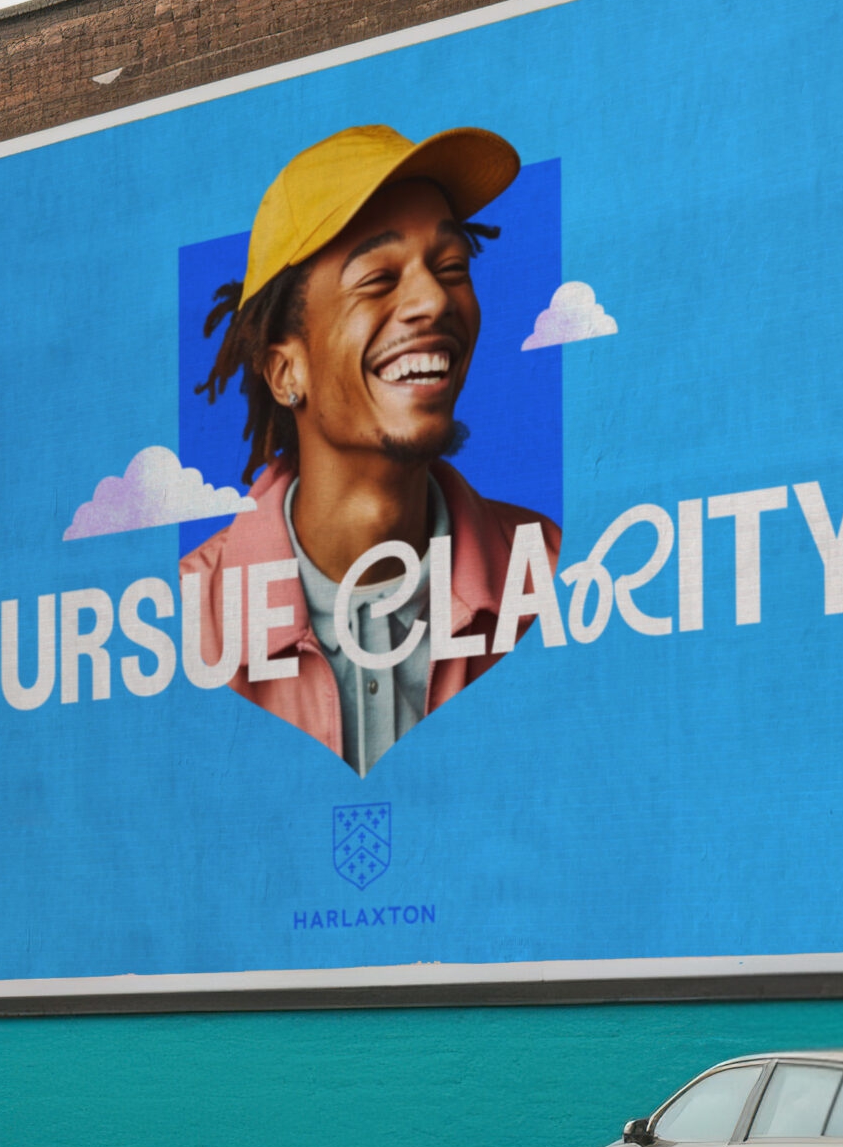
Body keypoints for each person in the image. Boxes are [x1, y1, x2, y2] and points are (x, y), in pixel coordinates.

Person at [181, 125, 560, 775]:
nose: (435, 300)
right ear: (285, 372)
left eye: (451, 269)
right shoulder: (183, 622)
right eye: (379, 279)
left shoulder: (559, 577)